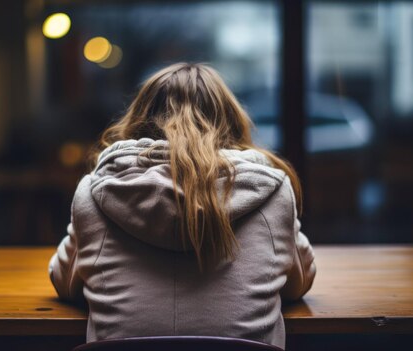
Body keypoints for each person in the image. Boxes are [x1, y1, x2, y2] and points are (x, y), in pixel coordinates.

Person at [48, 62, 316, 349]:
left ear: (139, 121)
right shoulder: (272, 190)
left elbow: (64, 282)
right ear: (231, 122)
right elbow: (298, 283)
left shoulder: (95, 191)